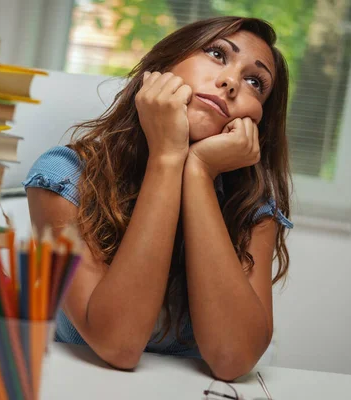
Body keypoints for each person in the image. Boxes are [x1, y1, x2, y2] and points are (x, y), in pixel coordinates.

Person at [23, 16, 293, 381]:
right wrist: (167, 156)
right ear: (163, 65)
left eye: (254, 82)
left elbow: (234, 360)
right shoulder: (63, 177)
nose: (231, 83)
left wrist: (198, 172)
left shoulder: (251, 209)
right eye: (217, 54)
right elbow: (117, 344)